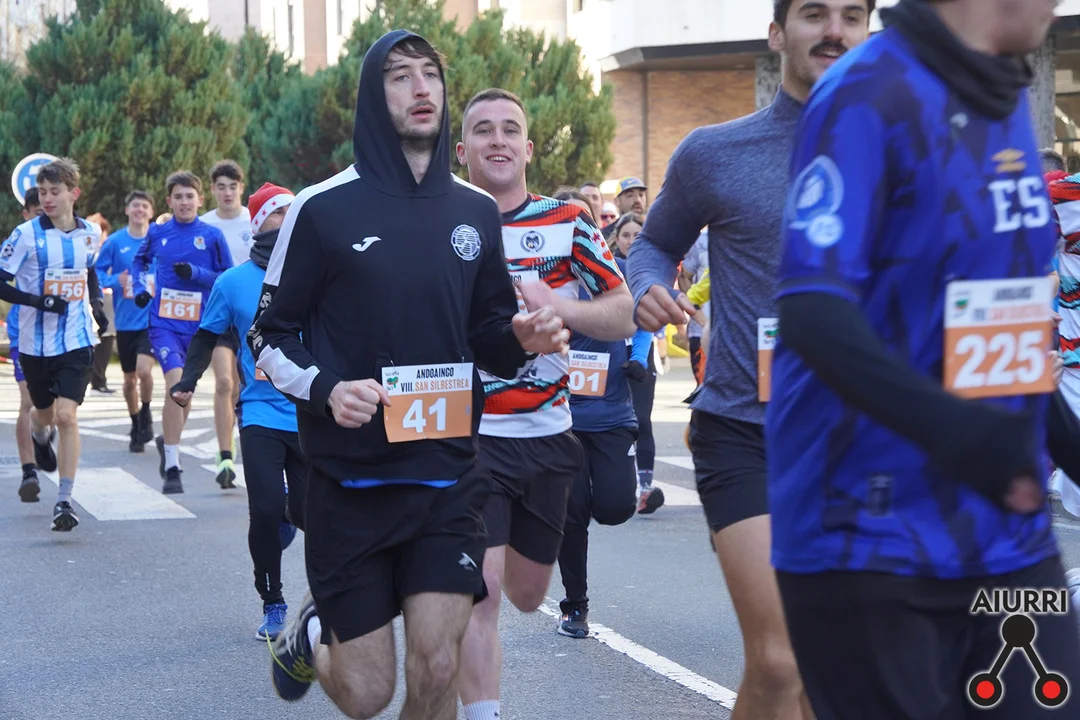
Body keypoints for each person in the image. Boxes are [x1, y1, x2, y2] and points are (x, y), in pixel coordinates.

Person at [765, 0, 1080, 716]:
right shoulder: (865, 94)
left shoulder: (1000, 94)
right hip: (869, 535)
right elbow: (812, 309)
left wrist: (1064, 441)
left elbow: (1005, 326)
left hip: (1005, 531)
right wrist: (960, 433)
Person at [252, 31, 569, 720]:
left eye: (431, 74)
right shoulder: (322, 207)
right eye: (400, 76)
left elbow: (489, 336)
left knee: (438, 665)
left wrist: (522, 338)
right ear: (373, 96)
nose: (422, 88)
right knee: (368, 694)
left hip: (446, 481)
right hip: (349, 488)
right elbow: (268, 335)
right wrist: (328, 389)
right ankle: (312, 630)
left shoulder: (474, 210)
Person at [627, 1, 874, 717]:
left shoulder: (906, 151)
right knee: (780, 657)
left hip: (860, 437)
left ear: (869, 33)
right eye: (814, 13)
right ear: (777, 34)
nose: (834, 30)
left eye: (852, 15)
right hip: (744, 431)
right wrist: (647, 285)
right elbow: (654, 243)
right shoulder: (715, 151)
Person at [455, 87, 634, 720]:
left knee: (529, 595)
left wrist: (560, 308)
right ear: (462, 150)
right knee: (482, 594)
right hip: (472, 436)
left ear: (528, 149)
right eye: (483, 130)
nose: (497, 139)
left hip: (550, 436)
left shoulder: (568, 220)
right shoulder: (442, 224)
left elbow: (622, 311)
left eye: (510, 129)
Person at [171, 182, 304, 641]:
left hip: (312, 413)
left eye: (294, 209)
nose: (289, 217)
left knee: (309, 512)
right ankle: (273, 602)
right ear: (260, 224)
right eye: (280, 211)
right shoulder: (232, 282)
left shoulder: (318, 272)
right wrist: (187, 381)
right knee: (263, 510)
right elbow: (208, 335)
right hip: (261, 412)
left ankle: (293, 521)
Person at [552, 187, 652, 638]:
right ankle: (575, 606)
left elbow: (642, 317)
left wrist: (639, 357)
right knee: (572, 515)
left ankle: (579, 500)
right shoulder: (544, 277)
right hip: (563, 418)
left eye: (585, 219)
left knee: (615, 507)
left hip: (612, 412)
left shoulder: (616, 271)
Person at [0, 158, 108, 531]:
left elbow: (89, 271)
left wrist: (96, 304)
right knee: (43, 413)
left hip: (77, 340)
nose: (47, 198)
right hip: (34, 343)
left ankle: (64, 500)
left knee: (67, 416)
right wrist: (38, 300)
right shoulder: (25, 235)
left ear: (73, 193)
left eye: (54, 192)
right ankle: (38, 432)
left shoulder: (90, 232)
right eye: (43, 192)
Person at [132, 171, 232, 494]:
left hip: (201, 328)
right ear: (169, 201)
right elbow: (138, 262)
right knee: (175, 385)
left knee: (183, 394)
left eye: (190, 196)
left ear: (200, 200)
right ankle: (173, 468)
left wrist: (196, 273)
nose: (184, 202)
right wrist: (140, 289)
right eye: (178, 197)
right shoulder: (158, 232)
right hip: (164, 325)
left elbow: (227, 277)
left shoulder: (212, 236)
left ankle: (168, 440)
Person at [200, 159, 252, 488]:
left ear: (241, 188)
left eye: (233, 186)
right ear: (212, 190)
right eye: (221, 187)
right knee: (223, 382)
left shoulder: (254, 220)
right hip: (219, 316)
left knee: (247, 386)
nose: (228, 192)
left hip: (254, 316)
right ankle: (225, 457)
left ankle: (253, 440)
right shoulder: (205, 225)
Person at [95, 191, 157, 452]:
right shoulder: (115, 242)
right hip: (126, 321)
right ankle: (135, 423)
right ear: (127, 210)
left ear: (151, 212)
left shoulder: (159, 239)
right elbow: (97, 272)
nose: (140, 210)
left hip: (152, 320)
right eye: (135, 206)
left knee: (144, 371)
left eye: (144, 206)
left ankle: (146, 411)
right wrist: (114, 280)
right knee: (130, 379)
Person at [6, 188, 50, 502]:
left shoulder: (72, 238)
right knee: (27, 400)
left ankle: (43, 436)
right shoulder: (21, 239)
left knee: (56, 405)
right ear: (26, 214)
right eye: (37, 213)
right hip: (25, 332)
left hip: (63, 334)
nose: (45, 217)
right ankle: (28, 471)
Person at [85, 212, 117, 394]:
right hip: (92, 299)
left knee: (107, 338)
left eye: (104, 232)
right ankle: (93, 378)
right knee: (95, 339)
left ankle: (99, 379)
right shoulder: (88, 250)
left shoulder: (109, 249)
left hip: (108, 299)